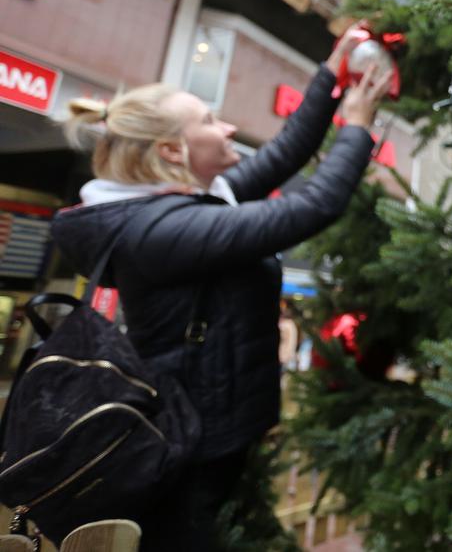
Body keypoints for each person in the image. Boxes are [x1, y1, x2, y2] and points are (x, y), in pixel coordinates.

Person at [49, 27, 392, 550]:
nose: (227, 124)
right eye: (209, 121)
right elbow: (312, 207)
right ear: (172, 150)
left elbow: (284, 154)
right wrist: (358, 128)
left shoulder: (195, 202)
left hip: (214, 428)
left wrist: (330, 75)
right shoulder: (160, 231)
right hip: (192, 446)